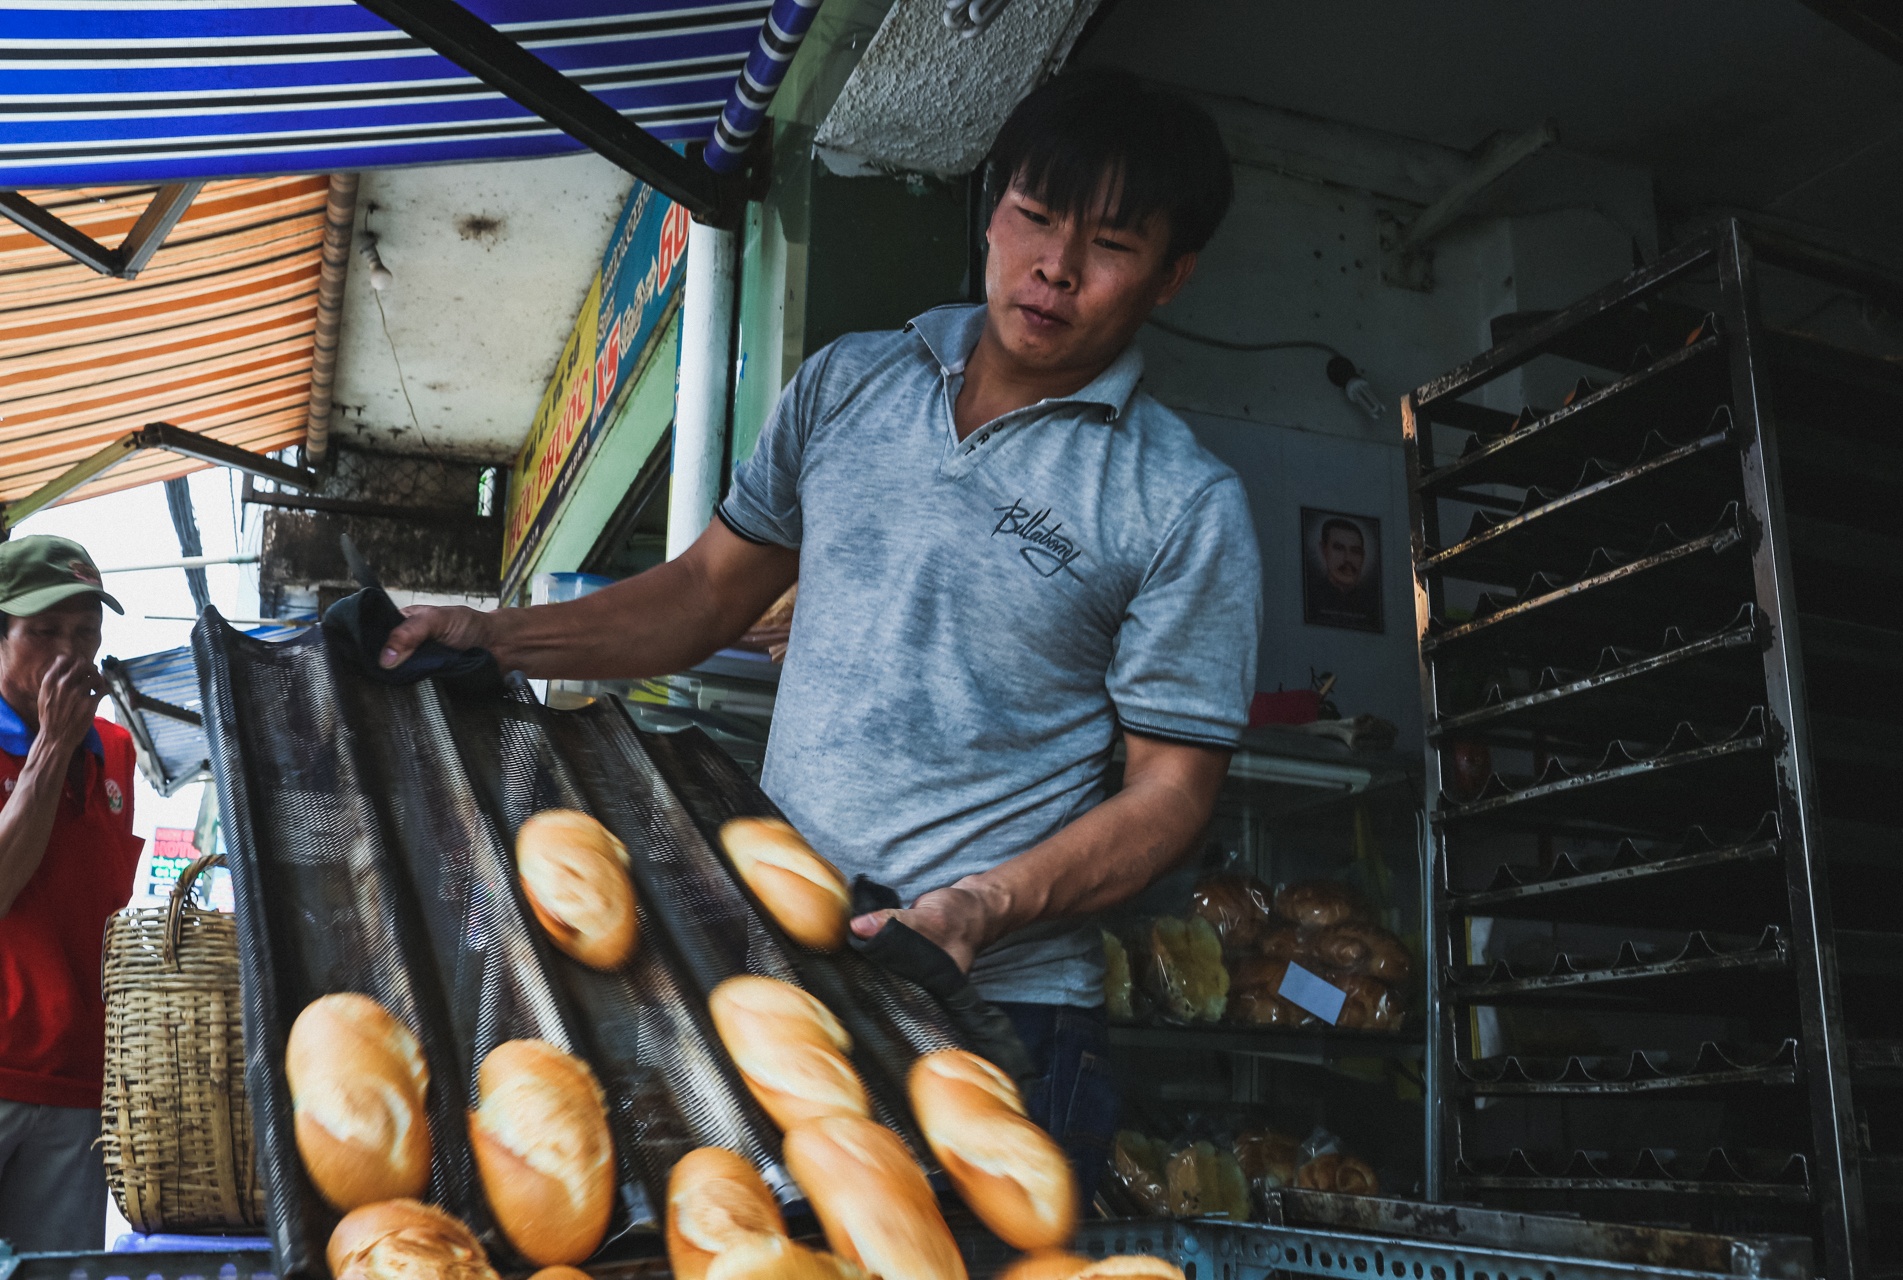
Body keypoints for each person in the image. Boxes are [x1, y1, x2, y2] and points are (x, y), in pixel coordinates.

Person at [383, 68, 1260, 1184]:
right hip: (777, 979)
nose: (1056, 268)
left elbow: (1173, 793)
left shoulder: (1181, 500)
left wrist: (983, 904)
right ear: (991, 208)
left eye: (1113, 246)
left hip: (997, 1017)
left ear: (1172, 277)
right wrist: (498, 635)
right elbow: (704, 592)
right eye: (1035, 218)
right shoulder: (851, 381)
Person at [0, 535, 142, 1250]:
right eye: (44, 632)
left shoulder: (116, 749)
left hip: (78, 1084)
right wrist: (50, 748)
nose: (68, 654)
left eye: (84, 634)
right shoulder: (66, 740)